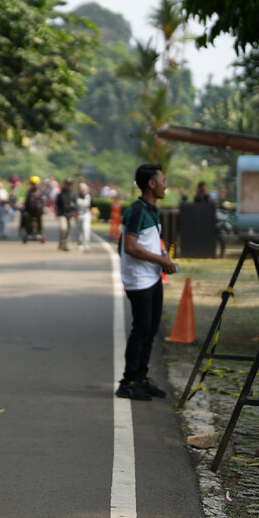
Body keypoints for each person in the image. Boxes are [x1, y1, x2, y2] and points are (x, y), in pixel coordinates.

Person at [117, 163, 177, 401]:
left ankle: (141, 377)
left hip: (152, 276)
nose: (165, 185)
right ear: (151, 183)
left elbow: (151, 242)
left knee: (151, 329)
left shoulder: (153, 210)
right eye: (163, 180)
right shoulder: (136, 211)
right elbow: (130, 247)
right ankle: (128, 382)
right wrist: (160, 259)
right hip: (139, 279)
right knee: (141, 330)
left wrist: (162, 258)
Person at [55, 178, 77, 250]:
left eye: (69, 184)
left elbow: (75, 204)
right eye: (67, 184)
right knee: (63, 228)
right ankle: (62, 242)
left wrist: (75, 213)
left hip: (70, 214)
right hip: (62, 214)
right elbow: (57, 205)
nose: (68, 185)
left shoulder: (73, 194)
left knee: (68, 230)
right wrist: (57, 214)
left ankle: (65, 244)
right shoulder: (61, 194)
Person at [23, 176, 46, 243]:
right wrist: (25, 209)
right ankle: (29, 233)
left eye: (35, 183)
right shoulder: (29, 191)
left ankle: (39, 233)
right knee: (28, 220)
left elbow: (43, 201)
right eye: (33, 184)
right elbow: (27, 201)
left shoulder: (41, 191)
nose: (34, 185)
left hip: (38, 210)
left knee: (39, 221)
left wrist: (43, 208)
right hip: (30, 210)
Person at [74, 182, 93, 251]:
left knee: (86, 229)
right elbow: (74, 206)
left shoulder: (88, 196)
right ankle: (80, 243)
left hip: (86, 214)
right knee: (79, 230)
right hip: (79, 214)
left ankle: (86, 244)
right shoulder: (76, 196)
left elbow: (90, 205)